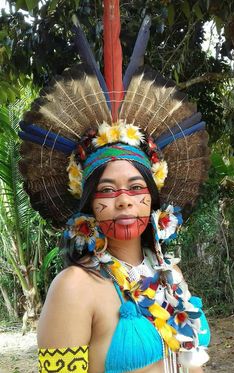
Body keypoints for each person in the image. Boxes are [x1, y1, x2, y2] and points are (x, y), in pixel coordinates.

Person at [18, 2, 210, 372]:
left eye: (135, 186)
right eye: (107, 190)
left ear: (152, 199)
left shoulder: (170, 274)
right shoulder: (74, 287)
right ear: (88, 203)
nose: (124, 201)